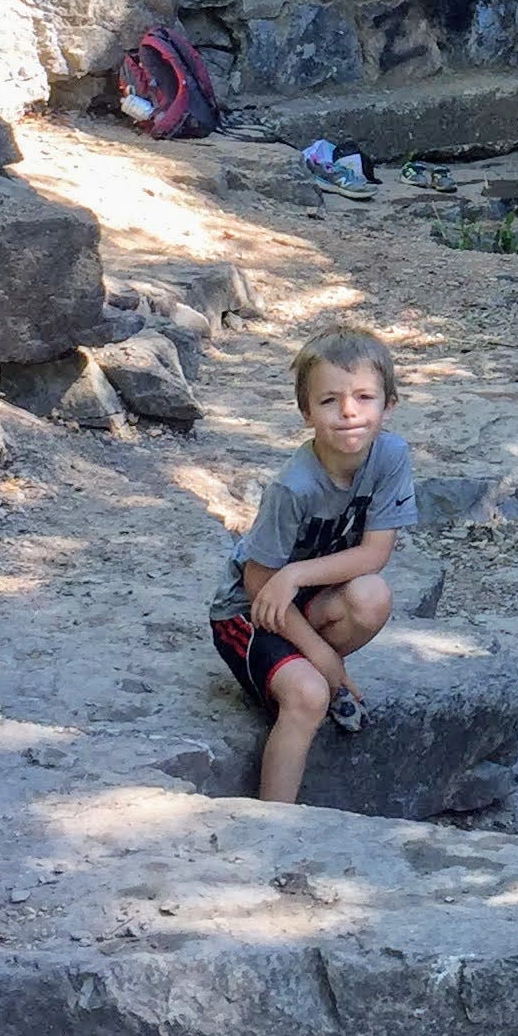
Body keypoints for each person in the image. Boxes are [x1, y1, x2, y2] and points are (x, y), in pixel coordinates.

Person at [208, 326, 412, 802]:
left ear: (389, 405)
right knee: (309, 695)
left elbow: (375, 554)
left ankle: (301, 668)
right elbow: (259, 581)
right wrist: (323, 660)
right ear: (306, 413)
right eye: (329, 401)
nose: (348, 412)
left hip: (300, 592)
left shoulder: (391, 456)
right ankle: (274, 823)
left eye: (364, 396)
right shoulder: (293, 487)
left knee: (372, 596)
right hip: (249, 610)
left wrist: (296, 574)